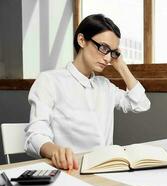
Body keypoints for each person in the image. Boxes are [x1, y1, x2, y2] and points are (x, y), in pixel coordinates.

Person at [24, 14, 151, 171]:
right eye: (103, 48)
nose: (107, 58)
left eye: (112, 52)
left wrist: (121, 66)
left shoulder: (105, 86)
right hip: (72, 169)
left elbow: (141, 104)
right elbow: (35, 134)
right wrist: (55, 151)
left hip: (108, 168)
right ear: (82, 40)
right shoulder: (49, 81)